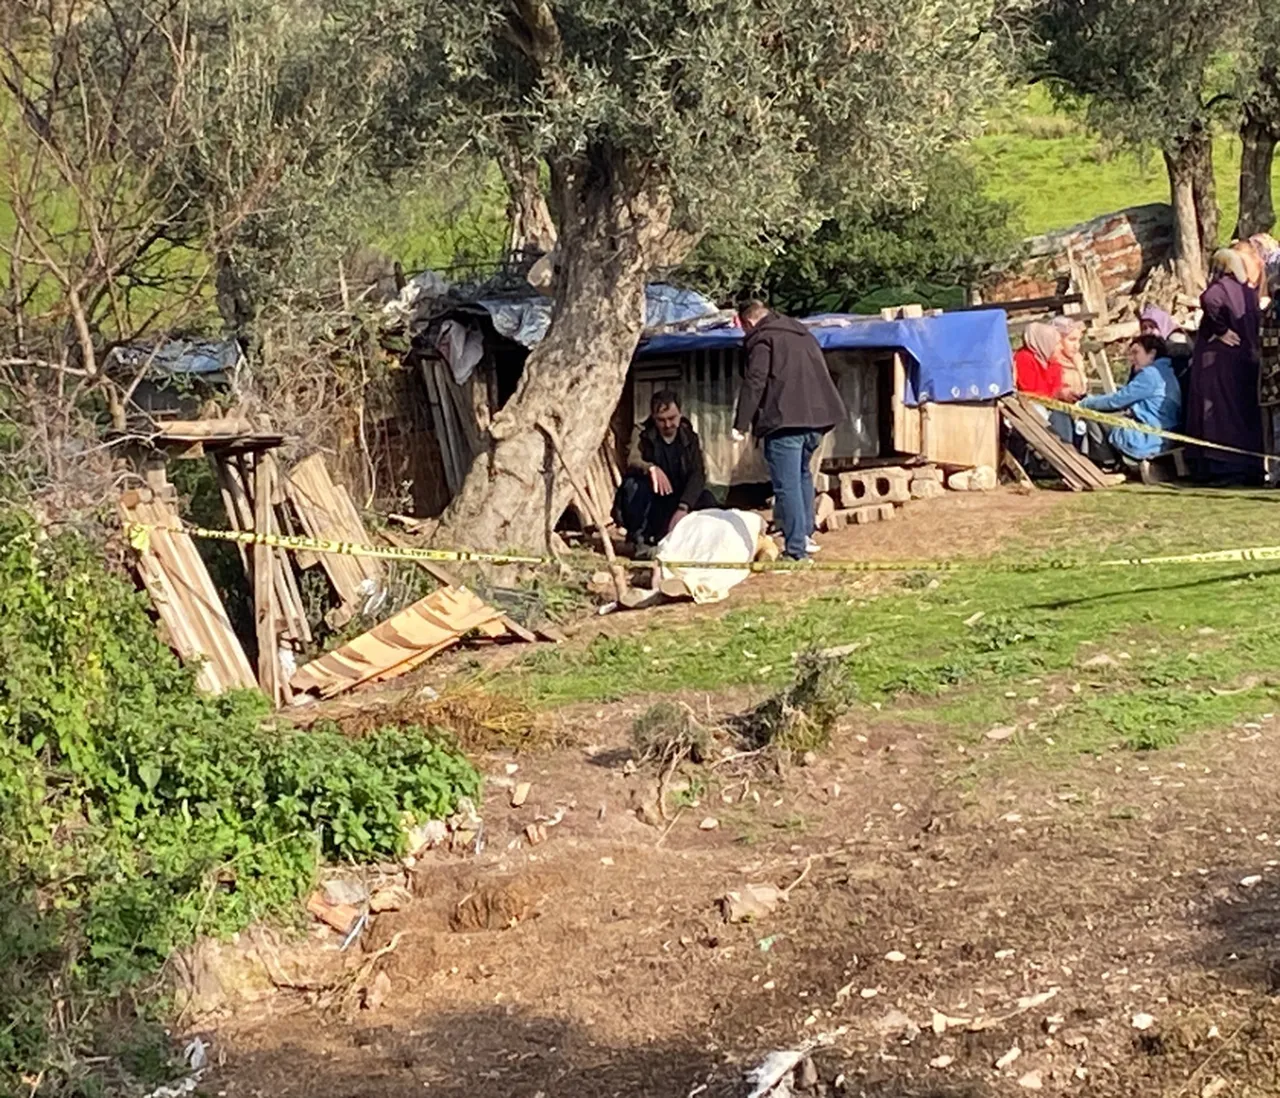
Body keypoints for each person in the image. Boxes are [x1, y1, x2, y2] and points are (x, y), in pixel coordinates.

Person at [732, 301, 846, 561]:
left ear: (747, 323)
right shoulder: (802, 333)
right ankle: (805, 535)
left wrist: (741, 424)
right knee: (802, 475)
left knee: (787, 485)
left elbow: (755, 381)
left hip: (785, 422)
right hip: (817, 420)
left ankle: (796, 551)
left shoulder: (763, 340)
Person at [1186, 247, 1263, 485]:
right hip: (1244, 360)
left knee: (1219, 414)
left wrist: (1220, 330)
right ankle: (1248, 467)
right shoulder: (1247, 291)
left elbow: (1209, 299)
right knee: (1241, 414)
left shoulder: (1222, 288)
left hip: (1220, 364)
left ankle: (1220, 468)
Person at [613, 390, 717, 556]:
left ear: (680, 414)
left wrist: (684, 506)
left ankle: (705, 544)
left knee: (707, 499)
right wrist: (651, 469)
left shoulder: (689, 438)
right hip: (651, 502)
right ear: (653, 418)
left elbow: (698, 474)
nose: (667, 424)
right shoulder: (642, 433)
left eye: (672, 418)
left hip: (678, 501)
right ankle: (641, 542)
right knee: (633, 485)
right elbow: (632, 460)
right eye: (661, 420)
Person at [1075, 335, 1182, 469]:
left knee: (1092, 415)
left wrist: (1085, 403)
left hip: (1149, 437)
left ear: (1152, 354)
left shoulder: (1151, 374)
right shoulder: (1165, 371)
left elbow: (1117, 400)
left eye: (1136, 352)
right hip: (1162, 435)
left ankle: (1107, 461)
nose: (1131, 358)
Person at [1050, 316, 1088, 400]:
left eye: (1078, 340)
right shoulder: (1050, 361)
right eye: (1072, 340)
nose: (1077, 346)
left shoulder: (1077, 359)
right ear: (1058, 339)